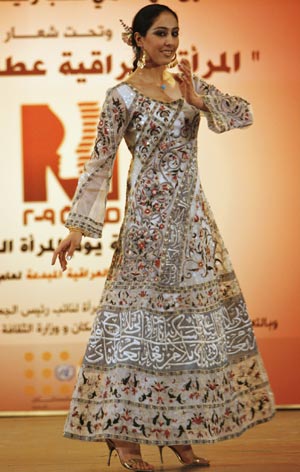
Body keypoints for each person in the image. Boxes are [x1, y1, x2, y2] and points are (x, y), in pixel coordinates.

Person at [52, 4, 275, 471]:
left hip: (193, 226)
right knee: (138, 329)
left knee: (183, 334)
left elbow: (245, 114)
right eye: (159, 34)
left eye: (175, 33)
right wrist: (76, 228)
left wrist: (200, 102)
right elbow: (99, 163)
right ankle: (124, 435)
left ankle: (175, 431)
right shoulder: (122, 96)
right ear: (137, 39)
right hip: (147, 229)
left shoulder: (187, 85)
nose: (169, 42)